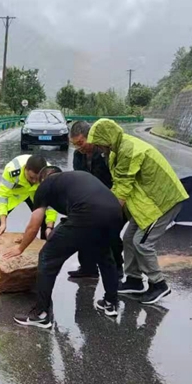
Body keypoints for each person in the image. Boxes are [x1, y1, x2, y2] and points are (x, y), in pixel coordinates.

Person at [2, 166, 123, 329]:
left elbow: (34, 224)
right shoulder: (75, 178)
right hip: (115, 213)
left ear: (42, 179)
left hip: (86, 213)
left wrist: (20, 248)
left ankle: (41, 314)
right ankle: (110, 303)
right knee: (105, 256)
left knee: (47, 257)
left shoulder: (46, 185)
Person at [86, 119, 189, 305]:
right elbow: (118, 185)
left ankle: (158, 284)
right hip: (145, 203)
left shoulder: (128, 149)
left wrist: (104, 216)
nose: (99, 148)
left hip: (161, 202)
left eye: (100, 143)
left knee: (142, 243)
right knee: (128, 239)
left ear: (108, 138)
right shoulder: (115, 151)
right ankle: (134, 279)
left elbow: (122, 190)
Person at [0, 154, 58, 272]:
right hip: (15, 194)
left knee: (44, 221)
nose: (34, 181)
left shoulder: (49, 174)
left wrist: (50, 225)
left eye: (37, 179)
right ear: (25, 169)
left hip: (35, 194)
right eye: (31, 177)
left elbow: (51, 204)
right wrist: (3, 221)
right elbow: (3, 196)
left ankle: (44, 260)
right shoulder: (12, 170)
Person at [69, 120, 124, 280]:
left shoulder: (105, 151)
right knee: (84, 231)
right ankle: (88, 267)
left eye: (81, 142)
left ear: (90, 136)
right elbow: (78, 177)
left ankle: (117, 267)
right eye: (75, 144)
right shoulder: (78, 155)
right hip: (89, 199)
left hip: (109, 198)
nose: (79, 147)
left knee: (110, 234)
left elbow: (116, 178)